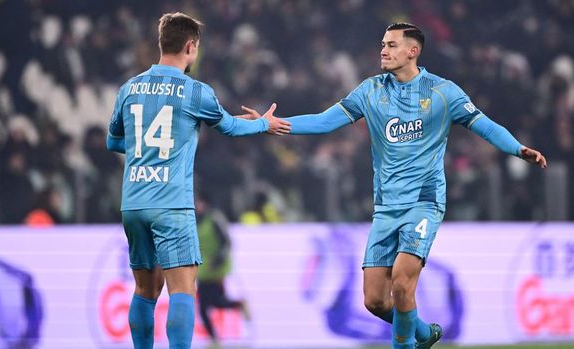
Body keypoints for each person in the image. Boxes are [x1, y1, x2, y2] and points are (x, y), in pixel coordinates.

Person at [245, 23, 547, 349]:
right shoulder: (370, 91)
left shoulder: (443, 92)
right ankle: (422, 332)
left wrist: (518, 149)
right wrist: (271, 124)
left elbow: (485, 126)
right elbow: (323, 121)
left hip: (424, 201)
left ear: (412, 51)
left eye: (391, 45)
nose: (383, 51)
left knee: (403, 282)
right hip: (386, 208)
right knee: (374, 301)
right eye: (382, 44)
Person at [106, 12, 290, 349]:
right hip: (171, 204)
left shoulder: (129, 88)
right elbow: (231, 128)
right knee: (182, 289)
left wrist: (145, 152)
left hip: (133, 202)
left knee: (145, 291)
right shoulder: (194, 92)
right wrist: (263, 123)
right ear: (191, 47)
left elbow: (113, 140)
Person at [195, 195, 249, 345]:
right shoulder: (197, 221)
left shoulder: (214, 219)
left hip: (215, 269)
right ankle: (237, 305)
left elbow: (226, 242)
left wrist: (219, 259)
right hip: (203, 268)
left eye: (199, 202)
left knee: (205, 306)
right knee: (213, 303)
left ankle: (214, 340)